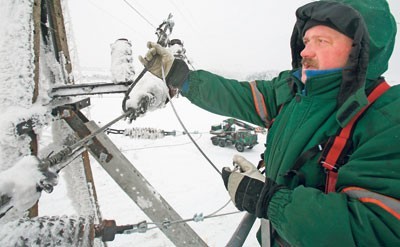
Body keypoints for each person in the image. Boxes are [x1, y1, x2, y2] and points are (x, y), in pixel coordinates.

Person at [127, 0, 400, 245]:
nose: (306, 51)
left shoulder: (387, 118)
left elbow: (374, 230)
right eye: (306, 42)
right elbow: (237, 95)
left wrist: (268, 201)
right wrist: (179, 75)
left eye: (322, 42)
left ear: (359, 50)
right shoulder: (292, 92)